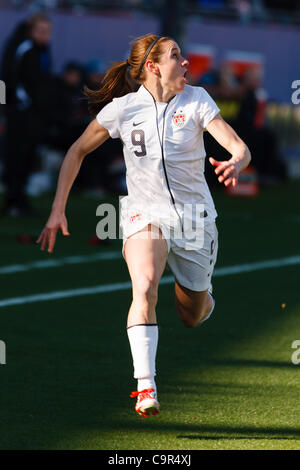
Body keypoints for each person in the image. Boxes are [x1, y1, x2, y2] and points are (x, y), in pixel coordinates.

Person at [36, 33, 251, 418]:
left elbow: (238, 146)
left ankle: (204, 299)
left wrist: (236, 160)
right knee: (145, 284)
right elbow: (77, 150)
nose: (185, 63)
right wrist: (58, 209)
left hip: (194, 221)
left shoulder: (197, 99)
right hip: (143, 214)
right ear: (153, 67)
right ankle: (145, 385)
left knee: (192, 314)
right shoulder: (123, 108)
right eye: (176, 56)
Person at [1, 13, 53, 216]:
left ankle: (20, 200)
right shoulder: (22, 49)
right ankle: (12, 201)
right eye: (41, 31)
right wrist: (7, 106)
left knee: (27, 157)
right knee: (15, 156)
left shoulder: (42, 50)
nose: (45, 35)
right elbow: (5, 77)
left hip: (34, 113)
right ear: (31, 31)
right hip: (20, 112)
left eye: (48, 31)